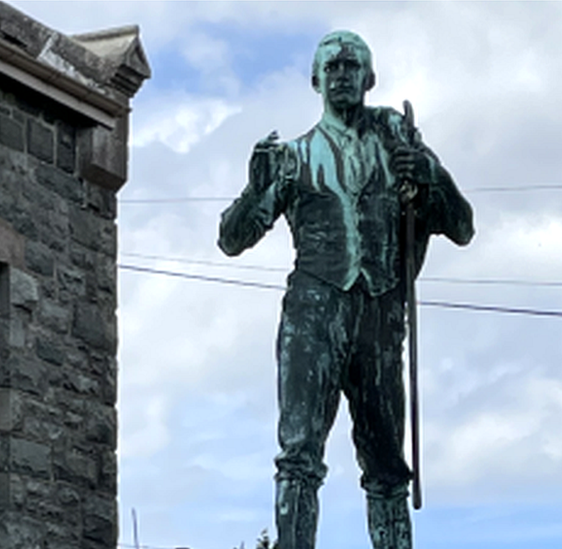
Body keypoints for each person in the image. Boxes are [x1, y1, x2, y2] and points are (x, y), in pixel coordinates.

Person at [218, 30, 474, 549]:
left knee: (386, 464)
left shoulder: (402, 150)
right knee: (299, 454)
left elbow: (462, 227)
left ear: (368, 78)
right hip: (313, 313)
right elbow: (231, 239)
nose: (341, 75)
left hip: (380, 317)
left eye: (350, 66)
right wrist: (254, 187)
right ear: (316, 80)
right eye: (331, 67)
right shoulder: (292, 157)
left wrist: (431, 175)